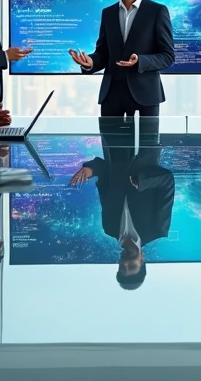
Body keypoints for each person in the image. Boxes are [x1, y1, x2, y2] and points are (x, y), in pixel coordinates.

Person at [70, 119, 174, 290]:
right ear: (142, 260)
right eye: (131, 267)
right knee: (146, 94)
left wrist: (91, 170)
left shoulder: (109, 227)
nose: (126, 263)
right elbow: (167, 181)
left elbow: (105, 175)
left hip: (113, 142)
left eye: (121, 267)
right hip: (145, 141)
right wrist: (142, 182)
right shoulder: (157, 229)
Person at [68, 0, 175, 117]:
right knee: (110, 144)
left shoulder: (157, 12)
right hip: (111, 98)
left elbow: (168, 56)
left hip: (145, 98)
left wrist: (140, 61)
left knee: (147, 144)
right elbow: (103, 53)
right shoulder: (108, 13)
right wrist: (89, 62)